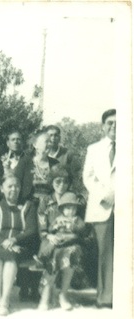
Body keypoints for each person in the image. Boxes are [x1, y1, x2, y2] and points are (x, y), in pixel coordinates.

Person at [0, 175, 37, 316]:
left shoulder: (28, 205)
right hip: (0, 243)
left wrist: (14, 240)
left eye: (17, 186)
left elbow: (31, 230)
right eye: (10, 186)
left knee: (10, 256)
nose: (14, 189)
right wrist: (4, 242)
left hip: (21, 244)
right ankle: (0, 299)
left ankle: (4, 301)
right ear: (2, 189)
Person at [83, 109, 116, 308]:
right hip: (102, 206)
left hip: (126, 207)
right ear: (103, 126)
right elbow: (88, 177)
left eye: (118, 123)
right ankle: (104, 298)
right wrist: (106, 195)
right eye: (110, 123)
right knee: (105, 253)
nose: (114, 127)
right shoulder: (93, 149)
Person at [35, 191, 86, 311]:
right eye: (68, 209)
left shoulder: (76, 219)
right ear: (62, 209)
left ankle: (63, 295)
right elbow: (50, 228)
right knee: (53, 251)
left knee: (71, 252)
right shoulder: (58, 218)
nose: (71, 211)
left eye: (73, 209)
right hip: (58, 242)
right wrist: (55, 227)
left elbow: (82, 229)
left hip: (70, 243)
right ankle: (45, 295)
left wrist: (72, 226)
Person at [14, 130, 60, 205]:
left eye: (50, 142)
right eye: (46, 141)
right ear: (35, 144)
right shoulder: (25, 162)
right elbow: (16, 183)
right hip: (28, 204)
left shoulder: (55, 163)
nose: (49, 144)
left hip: (49, 205)